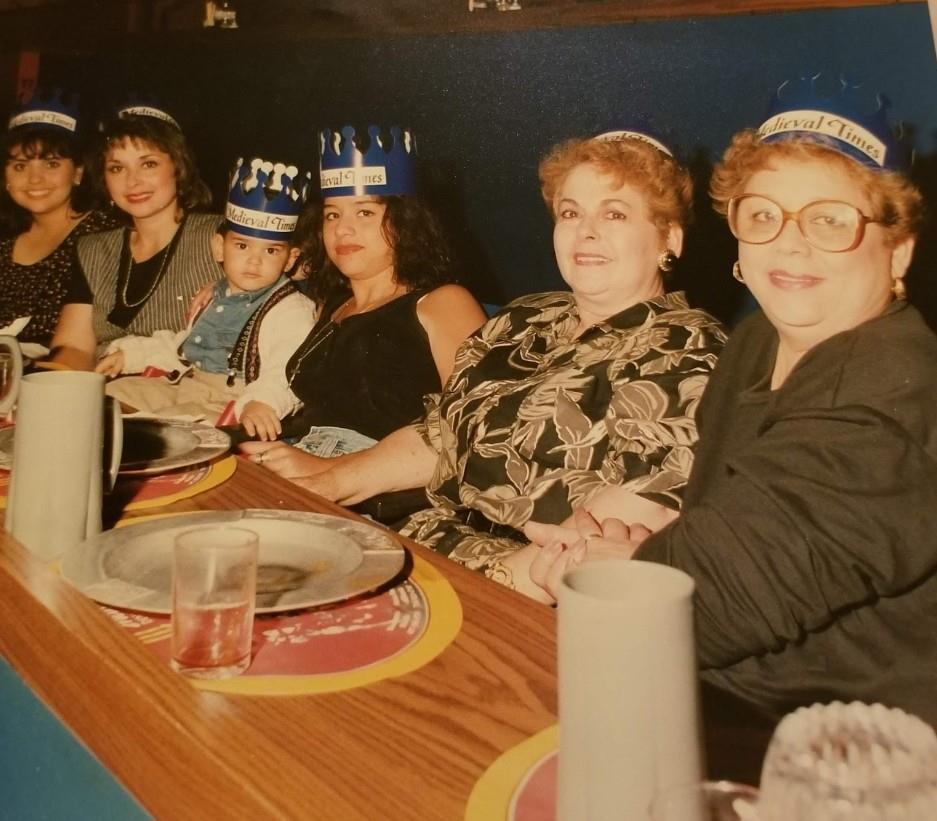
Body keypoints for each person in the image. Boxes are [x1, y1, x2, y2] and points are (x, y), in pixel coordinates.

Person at [525, 78, 937, 726]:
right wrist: (655, 545)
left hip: (830, 748)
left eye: (830, 219)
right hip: (713, 694)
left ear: (898, 250)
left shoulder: (890, 394)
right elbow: (737, 531)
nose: (789, 241)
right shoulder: (754, 343)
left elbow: (707, 606)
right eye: (762, 213)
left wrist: (615, 571)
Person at [252, 130, 726, 582]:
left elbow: (640, 512)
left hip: (514, 584)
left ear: (670, 237)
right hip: (415, 541)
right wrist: (328, 487)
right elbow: (439, 433)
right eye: (570, 213)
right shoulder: (525, 318)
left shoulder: (686, 347)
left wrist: (494, 581)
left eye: (615, 214)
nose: (587, 232)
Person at [241, 125, 486, 511]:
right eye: (332, 214)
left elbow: (477, 431)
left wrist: (331, 468)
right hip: (291, 459)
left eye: (366, 211)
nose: (343, 228)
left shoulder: (443, 303)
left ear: (406, 223)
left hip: (380, 495)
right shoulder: (332, 303)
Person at [96, 157, 317, 439]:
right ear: (219, 248)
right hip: (188, 382)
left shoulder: (291, 310)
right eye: (241, 245)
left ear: (290, 259)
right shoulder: (215, 295)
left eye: (271, 251)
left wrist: (263, 402)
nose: (254, 261)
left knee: (171, 429)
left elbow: (288, 368)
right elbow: (182, 346)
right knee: (110, 395)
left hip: (234, 400)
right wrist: (130, 355)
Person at [49, 100, 222, 370]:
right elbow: (74, 346)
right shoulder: (93, 249)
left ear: (179, 167)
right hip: (108, 398)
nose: (133, 181)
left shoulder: (221, 236)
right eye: (117, 168)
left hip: (192, 397)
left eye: (149, 164)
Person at [0, 90, 116, 351]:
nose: (35, 179)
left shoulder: (104, 236)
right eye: (20, 166)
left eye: (51, 164)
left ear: (77, 172)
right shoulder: (5, 241)